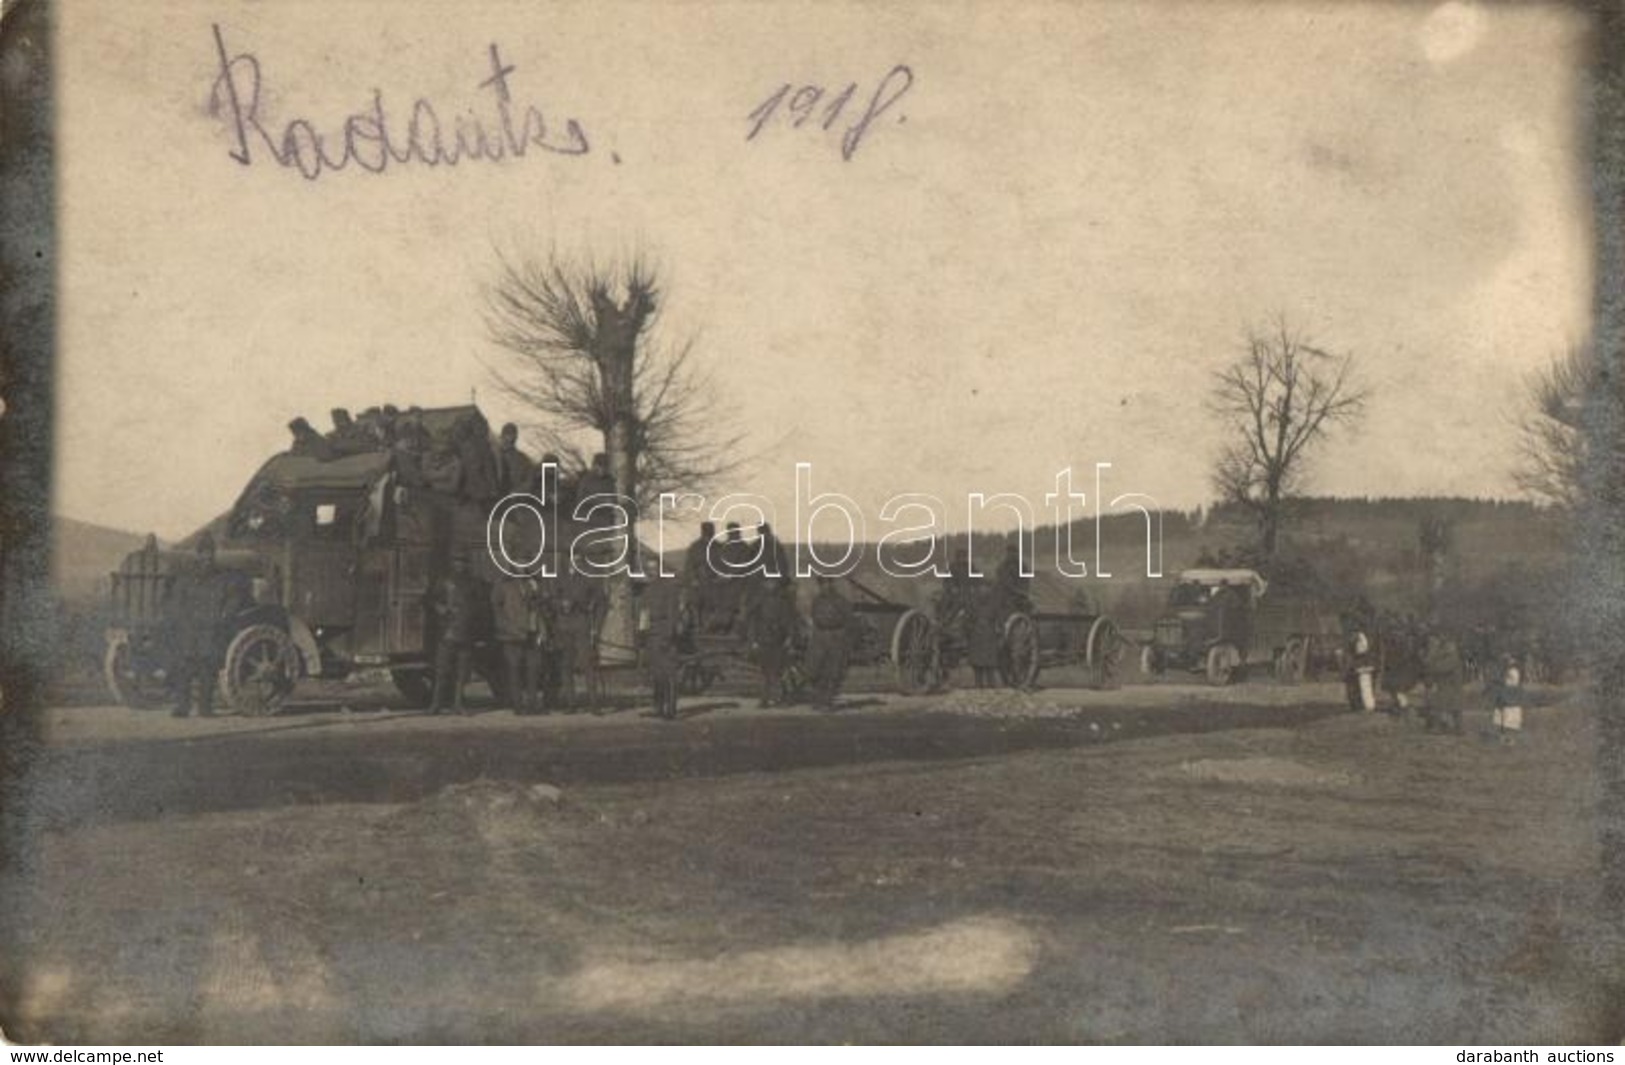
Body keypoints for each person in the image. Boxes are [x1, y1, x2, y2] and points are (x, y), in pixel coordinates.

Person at [166, 533, 234, 718]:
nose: (207, 557)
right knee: (184, 669)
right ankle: (183, 706)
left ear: (214, 555)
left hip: (211, 630)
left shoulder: (222, 578)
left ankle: (205, 707)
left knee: (208, 670)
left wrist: (223, 616)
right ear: (197, 555)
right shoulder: (186, 578)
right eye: (203, 553)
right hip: (189, 630)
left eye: (210, 553)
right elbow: (176, 601)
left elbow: (231, 600)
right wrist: (182, 621)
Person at [428, 554, 487, 715]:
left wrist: (474, 623)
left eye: (463, 561)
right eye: (457, 561)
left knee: (462, 673)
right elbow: (432, 600)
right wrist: (440, 608)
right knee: (442, 671)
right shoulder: (444, 581)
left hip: (467, 633)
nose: (460, 564)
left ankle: (459, 704)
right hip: (447, 632)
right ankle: (436, 704)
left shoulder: (474, 583)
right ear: (452, 563)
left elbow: (481, 606)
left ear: (467, 564)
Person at [491, 572, 545, 715]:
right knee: (514, 670)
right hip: (511, 634)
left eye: (525, 562)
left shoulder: (533, 584)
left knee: (533, 670)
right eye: (518, 562)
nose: (522, 566)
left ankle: (532, 704)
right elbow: (497, 610)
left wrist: (541, 629)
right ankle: (518, 705)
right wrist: (507, 627)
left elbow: (539, 609)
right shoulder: (503, 585)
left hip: (532, 632)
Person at [744, 579, 796, 708]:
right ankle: (764, 699)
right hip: (763, 640)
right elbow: (753, 623)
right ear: (764, 584)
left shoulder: (783, 602)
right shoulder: (759, 602)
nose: (771, 585)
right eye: (768, 582)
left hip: (778, 641)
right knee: (764, 672)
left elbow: (788, 621)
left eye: (773, 583)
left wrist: (789, 637)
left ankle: (779, 698)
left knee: (778, 672)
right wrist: (753, 641)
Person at [807, 576, 853, 711]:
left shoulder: (841, 601)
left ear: (832, 584)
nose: (825, 586)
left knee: (832, 672)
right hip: (820, 639)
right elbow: (814, 618)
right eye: (822, 584)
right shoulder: (816, 601)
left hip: (836, 639)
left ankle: (827, 701)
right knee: (816, 671)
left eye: (827, 583)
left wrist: (843, 639)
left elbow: (849, 621)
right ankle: (819, 700)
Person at [642, 584, 685, 721]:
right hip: (652, 635)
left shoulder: (669, 589)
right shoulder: (647, 591)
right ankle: (659, 707)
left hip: (664, 634)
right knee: (657, 673)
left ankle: (671, 709)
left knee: (669, 673)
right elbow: (644, 614)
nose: (651, 572)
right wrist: (642, 634)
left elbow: (673, 614)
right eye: (648, 569)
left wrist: (668, 636)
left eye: (654, 568)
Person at [1421, 630, 1465, 735]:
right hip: (1448, 687)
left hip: (1451, 688)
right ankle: (1455, 728)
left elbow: (1439, 668)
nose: (1446, 648)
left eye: (1448, 646)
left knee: (1444, 707)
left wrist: (1432, 658)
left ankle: (1444, 728)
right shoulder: (1449, 657)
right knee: (1450, 708)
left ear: (1453, 647)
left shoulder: (1453, 658)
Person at [967, 579, 1002, 690]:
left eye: (986, 587)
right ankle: (978, 684)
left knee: (989, 662)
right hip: (976, 634)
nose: (984, 590)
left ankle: (991, 684)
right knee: (977, 663)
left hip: (989, 634)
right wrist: (970, 628)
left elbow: (998, 619)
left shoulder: (994, 604)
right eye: (981, 587)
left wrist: (999, 629)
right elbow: (968, 618)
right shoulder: (973, 603)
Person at [493, 422, 535, 497]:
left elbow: (529, 482)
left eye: (511, 435)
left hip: (511, 498)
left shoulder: (523, 460)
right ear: (502, 436)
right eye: (507, 435)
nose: (509, 438)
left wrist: (516, 492)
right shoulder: (491, 455)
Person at [1492, 660, 1526, 744]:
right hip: (1504, 696)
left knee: (1510, 717)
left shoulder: (1514, 672)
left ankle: (1510, 738)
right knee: (1502, 717)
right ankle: (1503, 737)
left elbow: (1512, 682)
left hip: (1511, 696)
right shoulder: (1504, 672)